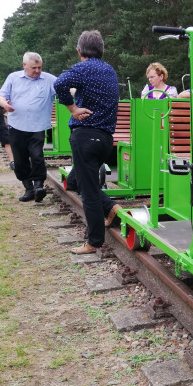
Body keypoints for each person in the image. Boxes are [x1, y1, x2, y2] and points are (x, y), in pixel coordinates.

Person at [53, 30, 120, 255]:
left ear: (79, 51)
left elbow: (60, 83)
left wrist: (72, 108)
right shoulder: (109, 69)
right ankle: (111, 209)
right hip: (105, 140)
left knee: (90, 191)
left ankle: (94, 242)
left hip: (85, 137)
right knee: (73, 182)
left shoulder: (84, 67)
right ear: (102, 50)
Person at [0, 52, 57, 202]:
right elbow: (1, 96)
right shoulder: (13, 78)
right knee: (20, 159)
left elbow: (65, 90)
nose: (37, 71)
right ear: (24, 65)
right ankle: (28, 189)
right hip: (17, 125)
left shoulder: (49, 79)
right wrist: (4, 104)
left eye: (39, 67)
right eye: (33, 68)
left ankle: (38, 186)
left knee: (37, 155)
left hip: (38, 125)